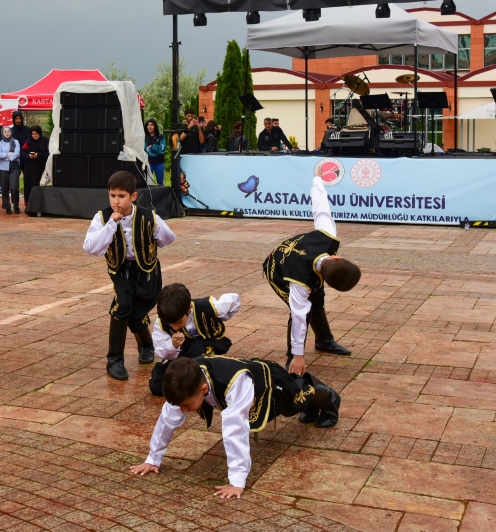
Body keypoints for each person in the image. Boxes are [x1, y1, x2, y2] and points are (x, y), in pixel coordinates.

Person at [129, 356, 341, 498]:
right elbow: (167, 419)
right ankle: (312, 408)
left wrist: (237, 481)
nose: (183, 410)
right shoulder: (185, 381)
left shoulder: (234, 384)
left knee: (296, 397)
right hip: (244, 384)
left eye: (186, 405)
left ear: (203, 389)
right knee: (299, 403)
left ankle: (331, 399)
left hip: (267, 384)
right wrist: (153, 459)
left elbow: (235, 431)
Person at [263, 165, 361, 424]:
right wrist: (299, 356)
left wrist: (318, 179)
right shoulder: (301, 284)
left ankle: (324, 340)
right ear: (336, 258)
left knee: (317, 302)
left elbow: (321, 205)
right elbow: (298, 315)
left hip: (304, 263)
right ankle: (291, 359)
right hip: (278, 268)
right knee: (303, 314)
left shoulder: (328, 235)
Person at [83, 171, 176, 380]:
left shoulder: (149, 216)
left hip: (147, 271)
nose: (116, 201)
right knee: (122, 306)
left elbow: (167, 238)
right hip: (120, 270)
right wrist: (111, 225)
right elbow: (90, 247)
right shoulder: (102, 218)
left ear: (133, 196)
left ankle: (146, 345)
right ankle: (114, 360)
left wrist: (149, 242)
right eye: (112, 195)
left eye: (121, 196)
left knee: (137, 313)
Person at [148, 283, 239, 397]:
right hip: (181, 353)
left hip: (206, 345)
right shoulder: (161, 322)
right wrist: (172, 344)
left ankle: (195, 383)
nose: (175, 328)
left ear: (189, 308)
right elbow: (159, 350)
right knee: (157, 384)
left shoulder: (208, 307)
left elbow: (235, 301)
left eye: (178, 323)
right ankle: (188, 386)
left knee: (196, 351)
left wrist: (223, 317)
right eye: (170, 324)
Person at [21, 125, 49, 207]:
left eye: (36, 134)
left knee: (40, 184)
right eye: (33, 134)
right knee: (30, 185)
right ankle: (30, 204)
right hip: (30, 168)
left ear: (39, 133)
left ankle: (41, 204)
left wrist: (38, 155)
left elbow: (48, 153)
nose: (34, 136)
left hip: (41, 167)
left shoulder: (45, 141)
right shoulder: (28, 141)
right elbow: (23, 152)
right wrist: (28, 156)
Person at [0, 126, 21, 214]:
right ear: (2, 133)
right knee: (4, 188)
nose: (7, 133)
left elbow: (17, 153)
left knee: (14, 187)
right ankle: (7, 206)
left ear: (11, 132)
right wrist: (9, 154)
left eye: (8, 131)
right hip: (2, 168)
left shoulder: (15, 141)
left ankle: (16, 205)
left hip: (14, 166)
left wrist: (8, 158)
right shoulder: (0, 143)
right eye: (5, 131)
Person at [10, 112, 31, 207]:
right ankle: (15, 203)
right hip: (14, 160)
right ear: (13, 120)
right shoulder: (10, 131)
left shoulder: (28, 130)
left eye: (20, 119)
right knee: (14, 183)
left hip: (26, 159)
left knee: (27, 181)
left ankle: (28, 202)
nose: (18, 121)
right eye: (16, 119)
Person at [144, 119, 166, 186]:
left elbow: (162, 150)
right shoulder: (144, 137)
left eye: (152, 125)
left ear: (155, 126)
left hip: (159, 162)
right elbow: (145, 150)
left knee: (160, 183)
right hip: (148, 162)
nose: (150, 127)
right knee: (147, 183)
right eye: (148, 125)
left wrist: (152, 146)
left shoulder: (161, 137)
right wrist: (156, 151)